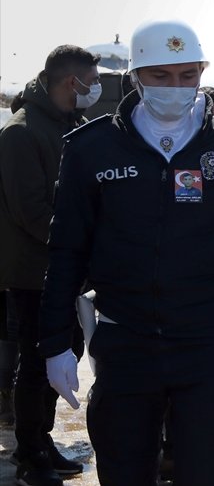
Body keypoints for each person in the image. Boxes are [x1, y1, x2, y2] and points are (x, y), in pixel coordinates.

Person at [37, 21, 214, 486]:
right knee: (124, 468)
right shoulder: (92, 149)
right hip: (125, 342)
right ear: (135, 77)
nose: (176, 87)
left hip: (207, 342)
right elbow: (66, 251)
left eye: (188, 75)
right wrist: (54, 343)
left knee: (202, 470)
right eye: (160, 76)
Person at [0, 45, 99, 485]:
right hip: (33, 271)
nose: (95, 90)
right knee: (37, 361)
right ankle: (29, 452)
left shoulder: (70, 125)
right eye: (91, 82)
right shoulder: (21, 132)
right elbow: (31, 211)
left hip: (68, 267)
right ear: (70, 82)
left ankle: (42, 439)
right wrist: (78, 247)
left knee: (65, 355)